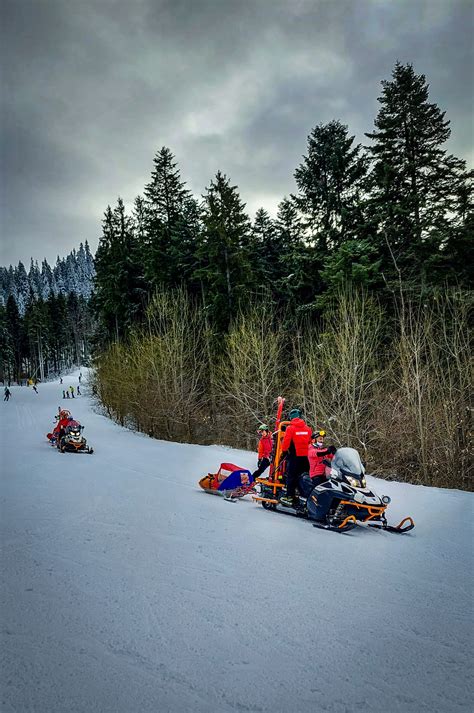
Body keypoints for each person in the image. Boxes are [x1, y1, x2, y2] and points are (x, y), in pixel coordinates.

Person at [279, 408, 312, 507]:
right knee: (303, 476)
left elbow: (286, 443)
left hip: (294, 456)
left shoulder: (290, 428)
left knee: (291, 476)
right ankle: (304, 495)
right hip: (306, 458)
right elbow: (310, 442)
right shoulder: (308, 428)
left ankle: (290, 496)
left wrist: (283, 453)